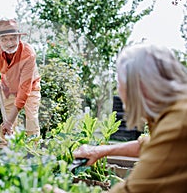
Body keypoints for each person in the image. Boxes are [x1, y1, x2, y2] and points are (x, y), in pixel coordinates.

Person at [73, 44, 187, 192]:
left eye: (120, 84)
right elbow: (148, 145)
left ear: (138, 86)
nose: (119, 93)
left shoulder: (177, 125)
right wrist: (99, 151)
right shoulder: (175, 112)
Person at [0, 19, 41, 141]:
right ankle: (6, 153)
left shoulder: (28, 54)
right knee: (8, 122)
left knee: (32, 119)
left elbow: (25, 89)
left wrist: (10, 121)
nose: (9, 43)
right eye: (4, 39)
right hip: (8, 86)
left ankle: (34, 152)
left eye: (13, 38)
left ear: (19, 38)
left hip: (31, 87)